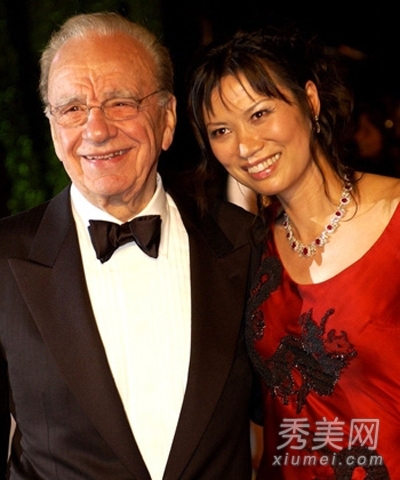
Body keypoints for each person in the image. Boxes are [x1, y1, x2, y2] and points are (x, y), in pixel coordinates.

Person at [0, 12, 259, 480]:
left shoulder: (246, 242)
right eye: (72, 109)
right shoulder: (5, 259)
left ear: (167, 119)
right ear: (54, 130)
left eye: (120, 103)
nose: (96, 130)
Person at [187, 27, 400, 479]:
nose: (245, 146)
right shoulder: (250, 248)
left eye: (260, 113)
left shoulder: (395, 218)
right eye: (222, 131)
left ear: (310, 101)